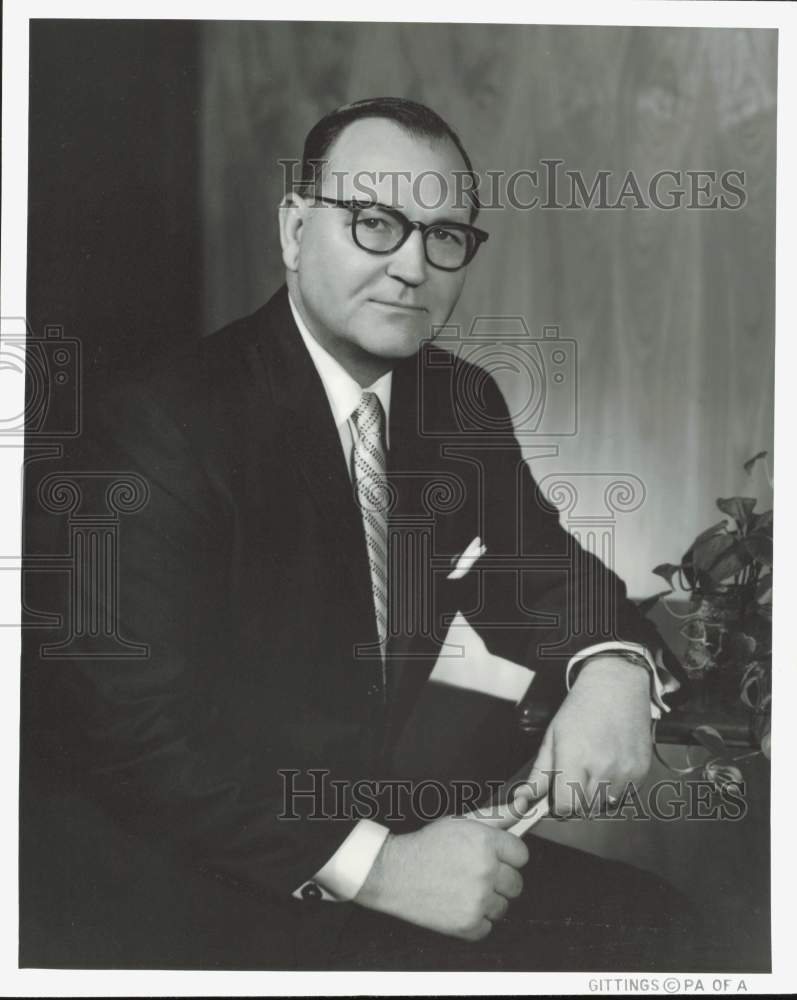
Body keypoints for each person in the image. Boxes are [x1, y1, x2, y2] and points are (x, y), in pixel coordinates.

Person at [20, 97, 693, 971]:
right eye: (375, 222)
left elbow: (539, 573)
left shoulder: (455, 404)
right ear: (295, 229)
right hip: (175, 888)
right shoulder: (157, 426)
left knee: (662, 927)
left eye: (445, 235)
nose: (413, 266)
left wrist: (612, 665)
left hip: (374, 845)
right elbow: (133, 737)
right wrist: (380, 869)